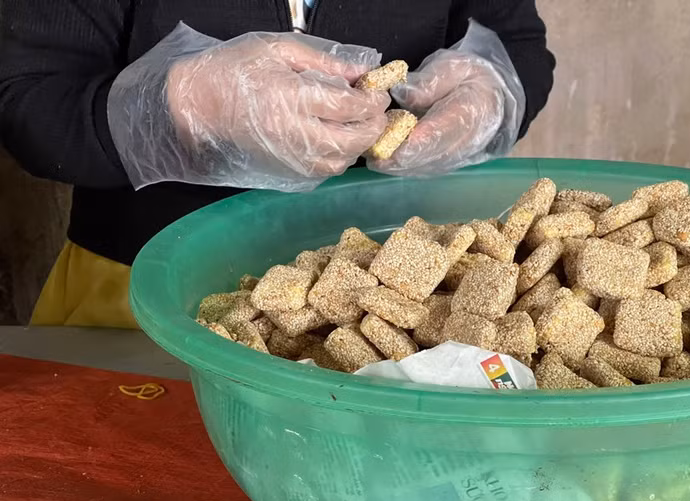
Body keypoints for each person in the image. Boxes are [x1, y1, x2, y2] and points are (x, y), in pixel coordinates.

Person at [0, 0, 555, 329]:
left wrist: (495, 94)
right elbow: (24, 99)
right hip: (142, 289)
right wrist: (180, 109)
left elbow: (520, 45)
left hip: (400, 292)